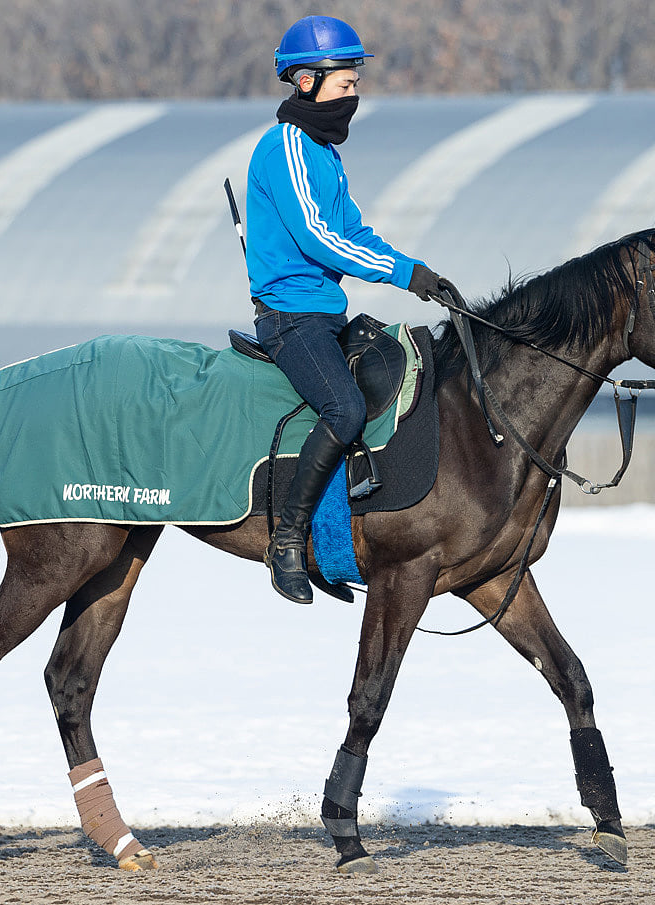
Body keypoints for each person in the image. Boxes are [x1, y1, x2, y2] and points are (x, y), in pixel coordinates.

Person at [246, 15, 458, 604]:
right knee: (343, 410)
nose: (355, 93)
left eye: (356, 81)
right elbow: (318, 238)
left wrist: (419, 274)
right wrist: (402, 273)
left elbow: (353, 230)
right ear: (307, 81)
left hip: (327, 316)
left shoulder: (324, 155)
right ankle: (286, 540)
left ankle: (338, 540)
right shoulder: (284, 147)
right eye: (345, 82)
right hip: (290, 319)